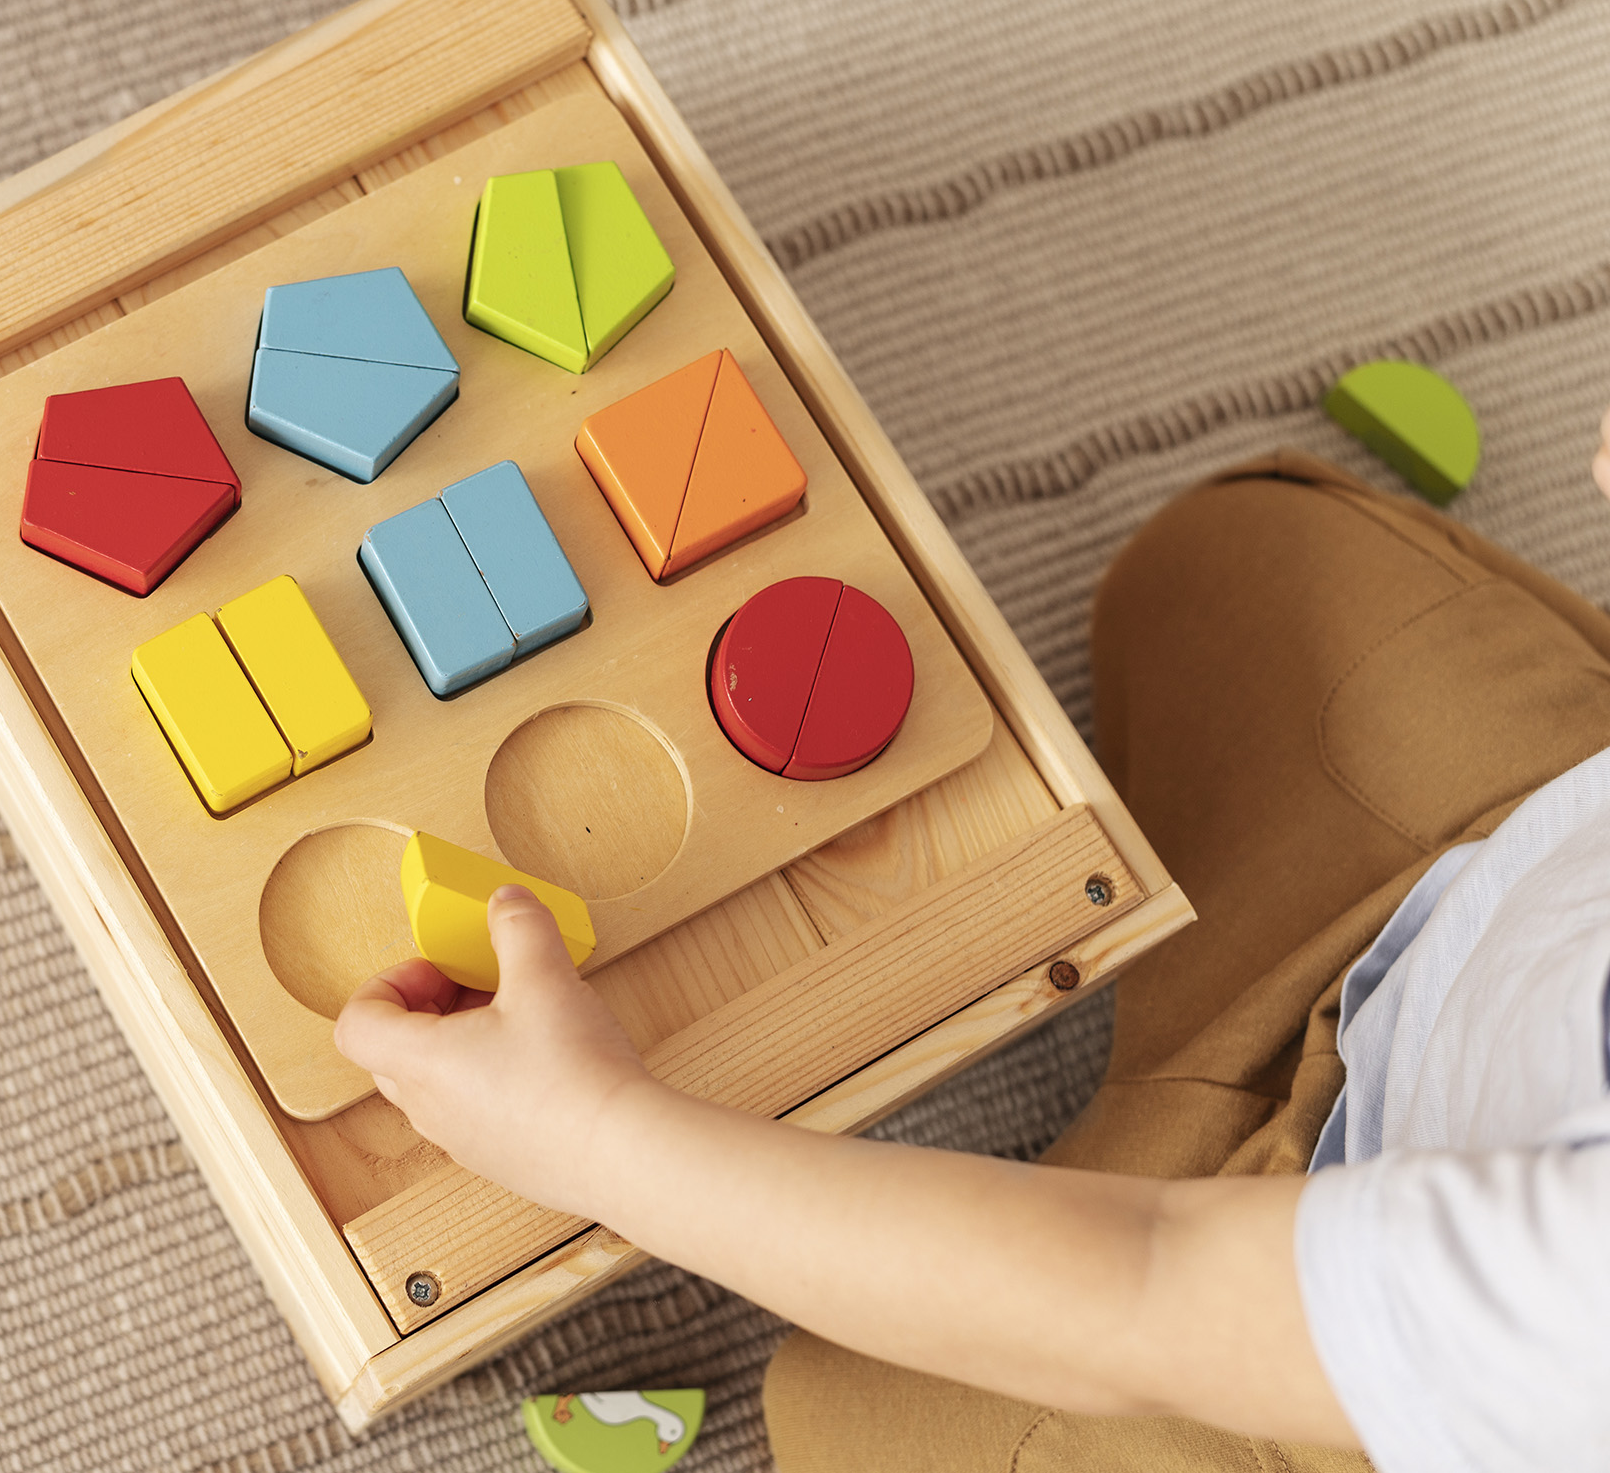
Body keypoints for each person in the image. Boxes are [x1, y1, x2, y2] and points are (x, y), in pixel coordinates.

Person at [335, 414, 1610, 1473]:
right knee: (1237, 553)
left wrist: (596, 1141)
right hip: (1482, 901)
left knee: (853, 1408)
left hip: (1327, 1351)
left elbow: (1143, 1288)